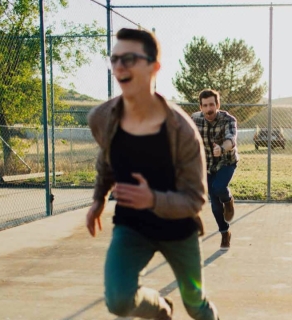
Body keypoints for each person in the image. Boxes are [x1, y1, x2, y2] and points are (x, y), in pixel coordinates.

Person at [85, 28, 219, 320]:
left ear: (154, 67)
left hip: (178, 230)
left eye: (130, 58)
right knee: (119, 300)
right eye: (115, 58)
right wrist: (98, 198)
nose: (120, 66)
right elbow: (106, 160)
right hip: (132, 227)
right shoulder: (102, 118)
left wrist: (152, 199)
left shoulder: (181, 131)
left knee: (196, 306)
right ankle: (161, 310)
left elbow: (195, 199)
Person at [191, 89, 239, 251]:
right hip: (207, 165)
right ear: (201, 107)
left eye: (212, 104)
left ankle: (229, 200)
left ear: (217, 105)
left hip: (226, 161)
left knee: (219, 188)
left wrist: (222, 148)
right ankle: (225, 232)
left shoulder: (228, 120)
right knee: (214, 203)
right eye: (205, 105)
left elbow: (231, 139)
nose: (209, 109)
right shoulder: (195, 119)